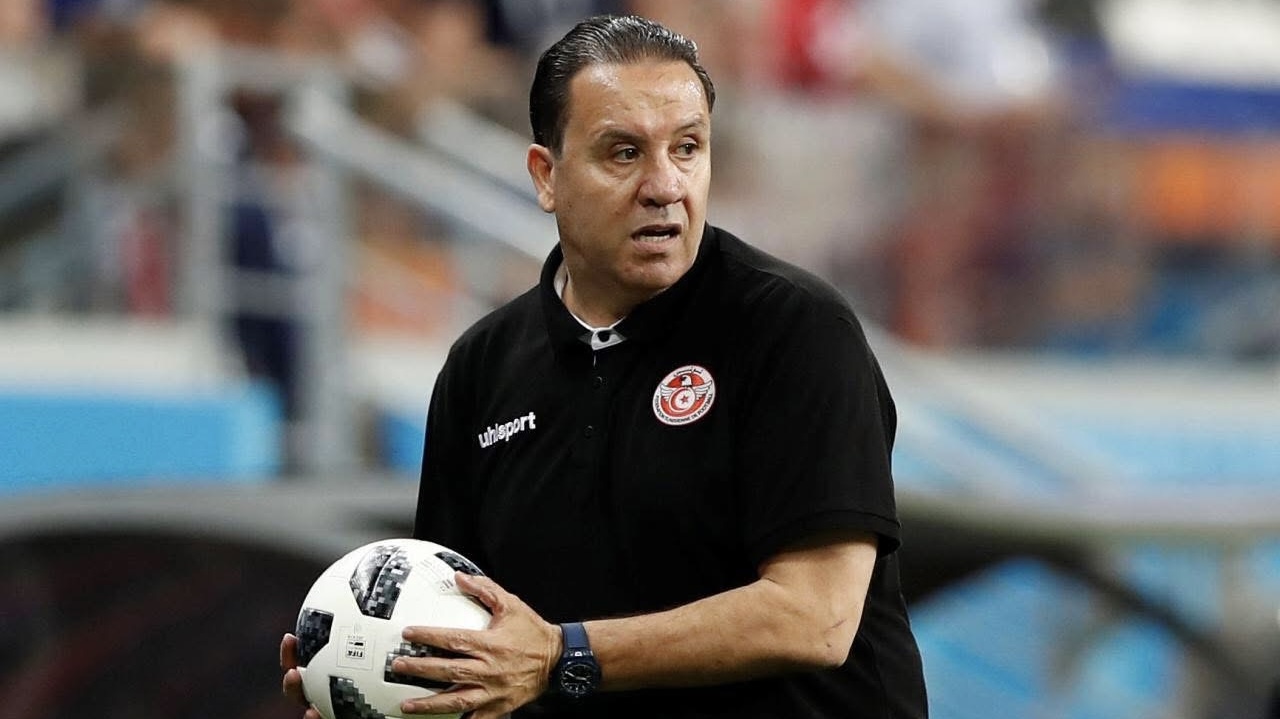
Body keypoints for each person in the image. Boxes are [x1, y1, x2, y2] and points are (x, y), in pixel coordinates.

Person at [281, 14, 927, 718]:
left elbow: (816, 617)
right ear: (546, 176)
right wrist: (378, 689)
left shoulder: (796, 329)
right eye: (624, 153)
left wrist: (562, 656)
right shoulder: (482, 368)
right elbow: (472, 640)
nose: (665, 185)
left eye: (688, 148)